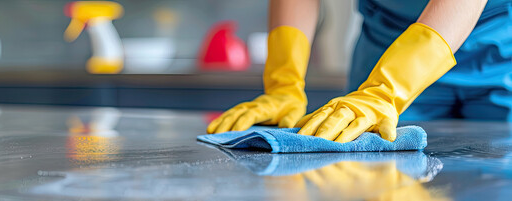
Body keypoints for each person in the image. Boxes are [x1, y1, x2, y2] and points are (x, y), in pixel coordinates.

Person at [207, 0, 511, 143]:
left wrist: (386, 90)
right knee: (378, 191)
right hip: (386, 45)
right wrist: (283, 82)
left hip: (500, 49)